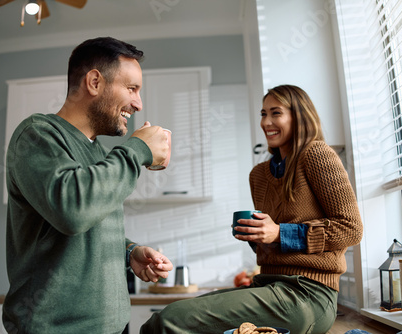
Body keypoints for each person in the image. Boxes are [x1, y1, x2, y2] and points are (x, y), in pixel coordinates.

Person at [140, 84, 363, 334]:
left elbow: (351, 228)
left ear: (299, 116)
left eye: (276, 113)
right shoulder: (259, 175)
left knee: (167, 321)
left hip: (307, 294)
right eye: (263, 113)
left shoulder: (317, 154)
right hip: (267, 285)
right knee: (167, 317)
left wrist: (278, 232)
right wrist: (255, 236)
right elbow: (273, 244)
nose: (266, 122)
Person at [2, 37, 173, 334]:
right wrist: (137, 150)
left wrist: (128, 252)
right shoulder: (37, 134)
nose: (138, 103)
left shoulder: (99, 153)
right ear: (94, 82)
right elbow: (72, 209)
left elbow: (87, 229)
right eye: (132, 88)